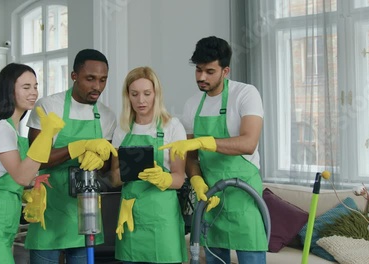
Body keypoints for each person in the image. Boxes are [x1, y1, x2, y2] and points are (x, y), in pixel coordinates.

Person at [160, 36, 267, 264]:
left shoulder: (246, 94)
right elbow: (190, 155)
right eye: (198, 70)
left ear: (225, 71)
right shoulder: (192, 104)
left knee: (252, 256)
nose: (201, 77)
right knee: (214, 258)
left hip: (244, 195)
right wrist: (196, 180)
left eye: (209, 71)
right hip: (210, 195)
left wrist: (204, 142)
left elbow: (249, 143)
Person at [0, 63, 65, 264]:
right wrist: (46, 135)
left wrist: (33, 182)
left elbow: (11, 177)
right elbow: (20, 176)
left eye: (35, 86)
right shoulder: (0, 129)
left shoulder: (11, 130)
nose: (33, 92)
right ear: (9, 90)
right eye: (26, 87)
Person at [25, 49, 117, 264]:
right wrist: (77, 147)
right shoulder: (48, 106)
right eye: (90, 79)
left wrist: (100, 160)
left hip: (86, 212)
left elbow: (105, 169)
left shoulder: (107, 116)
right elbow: (37, 159)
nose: (97, 87)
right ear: (74, 76)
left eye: (103, 80)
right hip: (49, 208)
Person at [109, 66, 188, 263]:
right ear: (128, 96)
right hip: (131, 216)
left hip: (162, 220)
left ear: (156, 94)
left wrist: (163, 178)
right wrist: (129, 170)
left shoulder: (172, 127)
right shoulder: (122, 130)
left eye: (147, 93)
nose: (141, 100)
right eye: (134, 94)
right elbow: (114, 179)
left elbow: (179, 179)